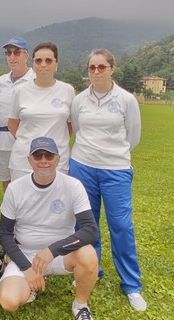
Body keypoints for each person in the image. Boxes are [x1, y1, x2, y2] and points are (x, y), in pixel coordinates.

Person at [69, 48, 146, 311]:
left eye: (102, 67)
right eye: (92, 67)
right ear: (88, 70)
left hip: (115, 169)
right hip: (82, 167)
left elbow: (132, 136)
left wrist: (111, 156)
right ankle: (93, 269)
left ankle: (132, 285)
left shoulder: (126, 99)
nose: (97, 72)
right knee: (87, 225)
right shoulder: (79, 101)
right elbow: (78, 129)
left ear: (112, 69)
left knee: (121, 225)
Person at [0, 136, 99, 320]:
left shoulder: (73, 186)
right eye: (37, 156)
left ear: (58, 159)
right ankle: (28, 285)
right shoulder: (15, 189)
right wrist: (27, 268)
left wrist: (52, 250)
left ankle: (81, 305)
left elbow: (91, 230)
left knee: (88, 254)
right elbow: (4, 234)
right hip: (26, 254)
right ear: (29, 159)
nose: (43, 161)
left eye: (49, 156)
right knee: (9, 302)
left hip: (61, 254)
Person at [8, 42, 74, 181]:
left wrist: (55, 141)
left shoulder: (67, 90)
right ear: (33, 64)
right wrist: (28, 141)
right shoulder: (20, 90)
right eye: (38, 60)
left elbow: (69, 125)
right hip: (23, 161)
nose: (43, 64)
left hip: (57, 161)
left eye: (49, 60)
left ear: (56, 64)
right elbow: (12, 123)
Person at [0, 36, 35, 191]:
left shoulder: (34, 79)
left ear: (26, 56)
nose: (12, 57)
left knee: (26, 182)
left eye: (17, 52)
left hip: (23, 142)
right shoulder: (1, 80)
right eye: (8, 53)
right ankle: (10, 214)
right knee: (6, 182)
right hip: (2, 141)